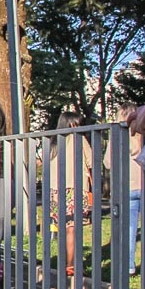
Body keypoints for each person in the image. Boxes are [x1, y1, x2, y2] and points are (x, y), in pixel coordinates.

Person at [45, 111, 93, 277]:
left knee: (63, 229)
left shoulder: (53, 141)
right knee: (73, 229)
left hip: (55, 191)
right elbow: (92, 160)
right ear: (73, 124)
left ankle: (64, 262)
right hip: (75, 188)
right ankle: (71, 265)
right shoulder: (78, 138)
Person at [110, 105, 145, 276]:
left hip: (126, 187)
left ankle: (129, 266)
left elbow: (108, 163)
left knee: (129, 229)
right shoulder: (143, 133)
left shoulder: (116, 136)